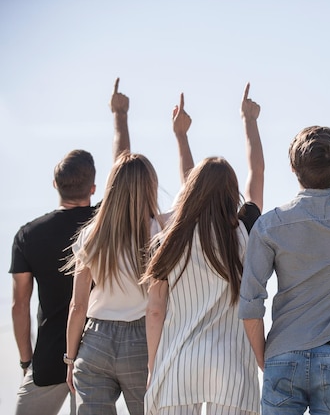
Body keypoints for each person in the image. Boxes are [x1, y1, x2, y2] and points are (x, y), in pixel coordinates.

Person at [238, 34, 330, 415]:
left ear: (293, 170)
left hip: (283, 354)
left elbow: (250, 305)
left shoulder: (269, 226)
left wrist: (268, 359)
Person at [64, 82, 193, 415]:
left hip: (94, 339)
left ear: (111, 187)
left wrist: (69, 357)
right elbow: (191, 193)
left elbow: (77, 306)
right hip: (141, 339)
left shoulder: (91, 235)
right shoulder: (157, 230)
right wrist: (181, 137)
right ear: (149, 185)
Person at [8, 77, 135, 415]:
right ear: (94, 187)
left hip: (50, 358)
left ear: (55, 184)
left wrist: (26, 359)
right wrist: (119, 115)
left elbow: (20, 305)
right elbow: (123, 162)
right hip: (99, 351)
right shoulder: (103, 223)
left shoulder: (28, 234)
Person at [142, 83, 264, 415]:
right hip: (233, 372)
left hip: (177, 368)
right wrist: (249, 122)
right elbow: (257, 175)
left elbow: (154, 311)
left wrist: (153, 366)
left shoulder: (170, 238)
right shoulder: (246, 230)